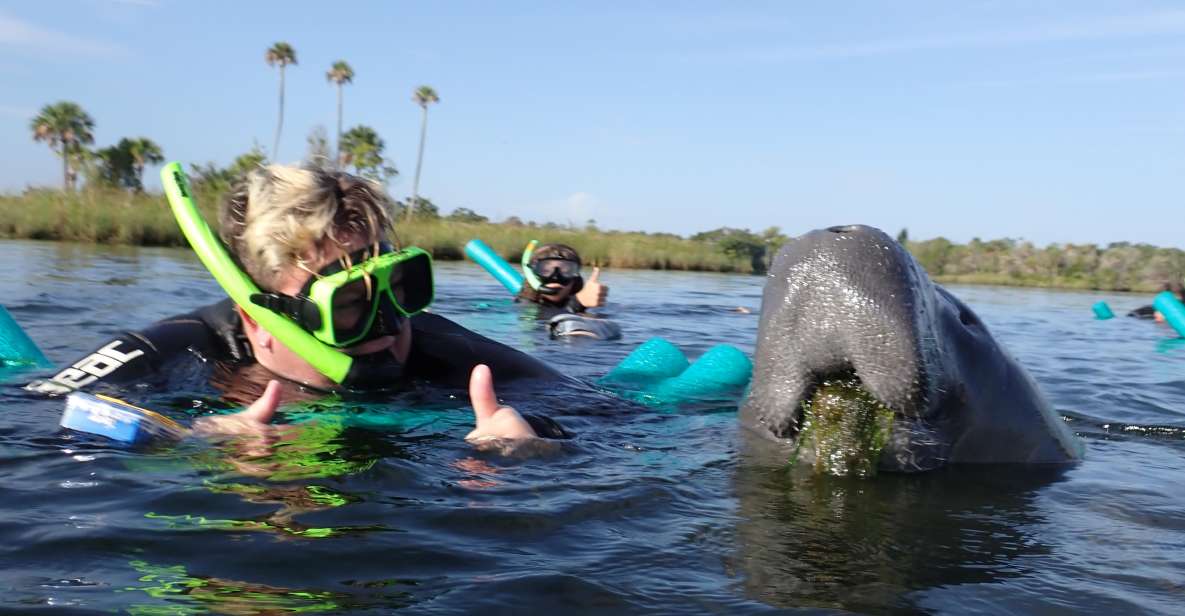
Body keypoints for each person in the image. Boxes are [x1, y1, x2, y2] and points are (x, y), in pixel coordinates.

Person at [27, 164, 567, 444]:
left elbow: (618, 420)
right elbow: (34, 431)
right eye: (350, 304)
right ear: (259, 323)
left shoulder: (443, 349)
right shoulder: (177, 351)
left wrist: (536, 445)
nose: (389, 326)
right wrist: (181, 444)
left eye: (397, 286)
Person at [516, 243, 608, 314]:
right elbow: (540, 318)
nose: (555, 277)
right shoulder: (524, 305)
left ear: (575, 279)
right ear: (533, 275)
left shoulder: (590, 306)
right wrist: (578, 303)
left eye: (566, 271)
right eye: (545, 270)